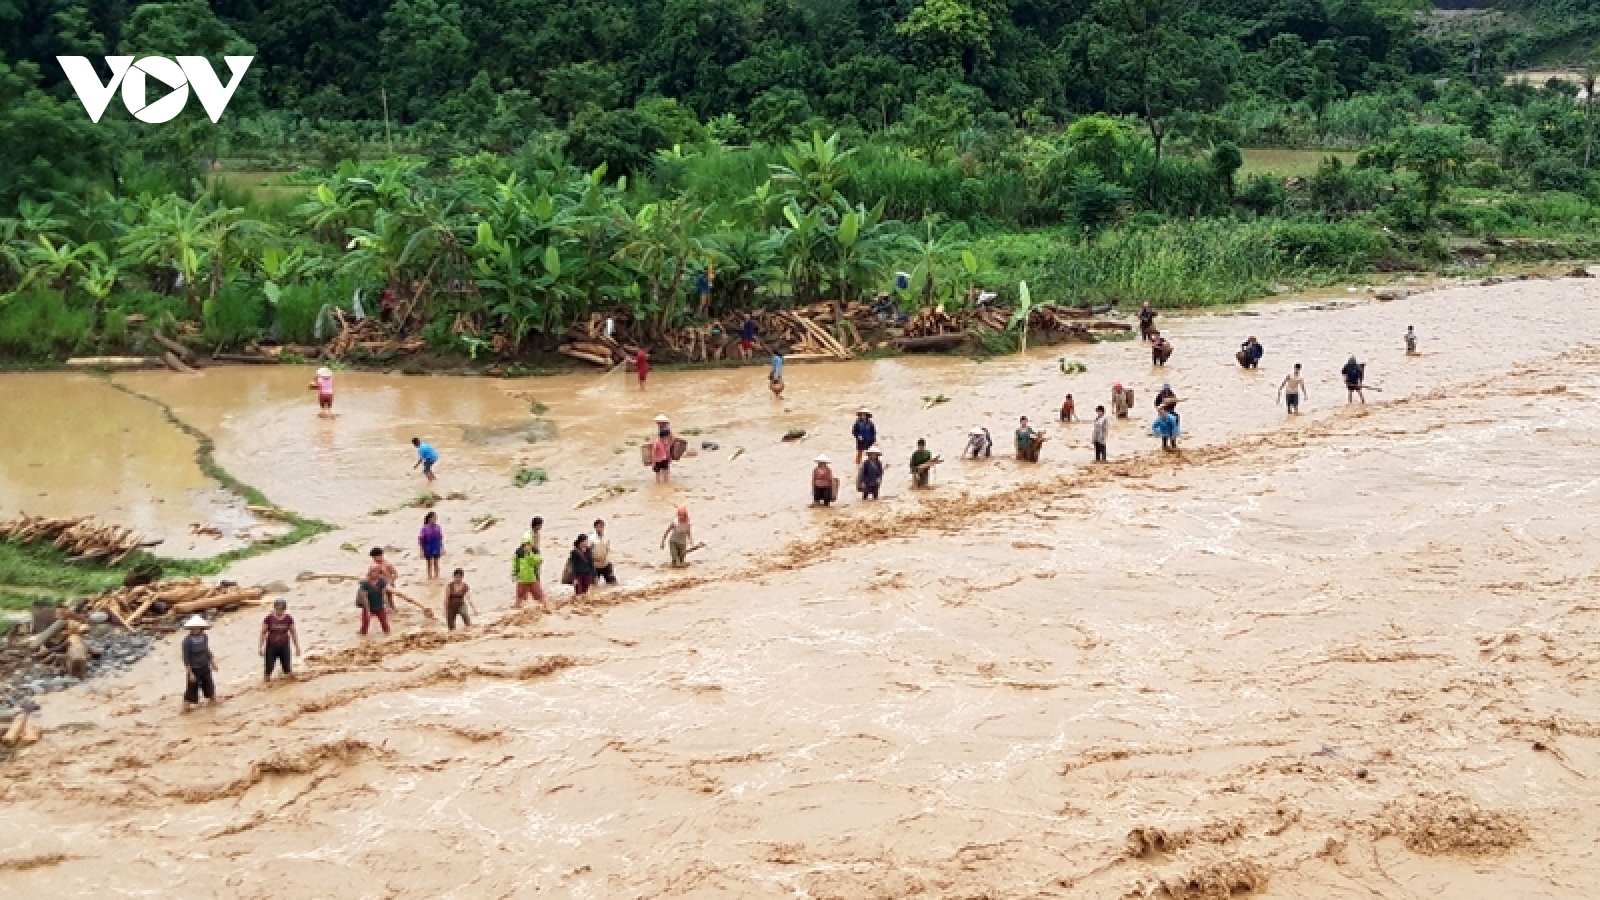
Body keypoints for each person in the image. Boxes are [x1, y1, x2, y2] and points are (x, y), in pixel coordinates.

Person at [180, 615, 218, 711]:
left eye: (198, 628)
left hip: (205, 667)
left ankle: (212, 706)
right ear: (190, 629)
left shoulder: (204, 637)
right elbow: (186, 658)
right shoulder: (187, 641)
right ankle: (186, 708)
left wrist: (212, 663)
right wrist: (190, 673)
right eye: (194, 628)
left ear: (201, 628)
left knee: (209, 687)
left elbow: (207, 650)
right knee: (191, 690)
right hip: (194, 669)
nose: (196, 629)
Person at [259, 598, 299, 683]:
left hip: (284, 647)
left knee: (287, 669)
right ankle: (266, 685)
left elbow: (293, 632)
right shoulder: (268, 619)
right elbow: (263, 633)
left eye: (281, 609)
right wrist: (260, 647)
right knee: (269, 668)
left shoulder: (289, 619)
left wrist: (297, 647)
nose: (279, 611)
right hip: (271, 647)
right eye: (277, 609)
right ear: (274, 608)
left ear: (284, 609)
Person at [513, 532, 545, 610]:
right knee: (520, 598)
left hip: (533, 578)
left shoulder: (535, 551)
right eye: (525, 544)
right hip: (522, 579)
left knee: (539, 596)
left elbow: (538, 561)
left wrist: (529, 554)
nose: (526, 546)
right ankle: (518, 611)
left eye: (528, 543)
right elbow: (515, 564)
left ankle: (545, 609)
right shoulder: (518, 552)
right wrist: (514, 573)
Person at [357, 568, 391, 636]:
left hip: (379, 606)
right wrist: (368, 611)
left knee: (384, 623)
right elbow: (365, 598)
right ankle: (362, 637)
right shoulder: (365, 584)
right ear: (369, 573)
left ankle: (388, 636)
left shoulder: (382, 582)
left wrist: (387, 606)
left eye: (376, 572)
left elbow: (384, 595)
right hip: (368, 607)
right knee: (365, 625)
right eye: (372, 572)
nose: (374, 574)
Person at [419, 511, 443, 580]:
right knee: (429, 562)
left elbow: (440, 538)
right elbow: (421, 539)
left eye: (436, 518)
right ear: (429, 519)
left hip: (436, 546)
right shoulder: (424, 528)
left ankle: (437, 576)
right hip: (428, 547)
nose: (435, 520)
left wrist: (442, 547)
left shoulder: (438, 527)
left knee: (436, 562)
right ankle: (429, 576)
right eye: (434, 518)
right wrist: (421, 550)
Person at [591, 519, 616, 585]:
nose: (599, 529)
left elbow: (608, 550)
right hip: (595, 565)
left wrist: (610, 561)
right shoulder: (591, 539)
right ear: (595, 528)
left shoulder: (607, 538)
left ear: (603, 527)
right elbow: (588, 552)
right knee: (593, 585)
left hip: (605, 564)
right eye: (597, 527)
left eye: (601, 527)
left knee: (613, 583)